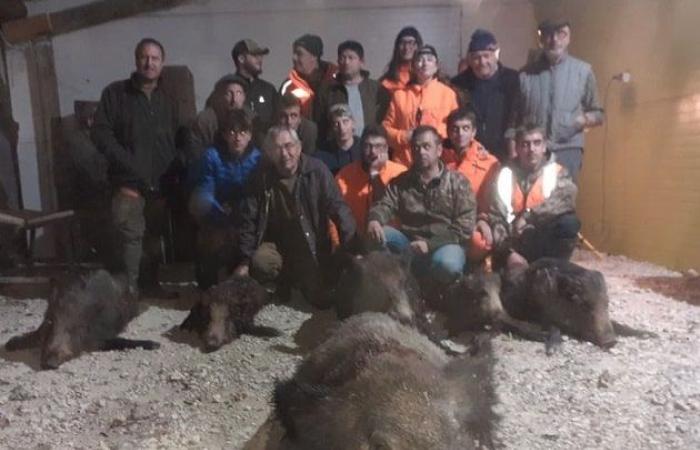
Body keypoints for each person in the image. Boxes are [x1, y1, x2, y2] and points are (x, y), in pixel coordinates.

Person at [92, 37, 181, 298]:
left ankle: (151, 286)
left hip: (159, 184)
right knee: (130, 236)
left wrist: (174, 168)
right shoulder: (115, 93)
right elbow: (100, 134)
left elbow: (180, 136)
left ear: (162, 63)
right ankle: (126, 295)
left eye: (155, 58)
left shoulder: (169, 98)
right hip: (128, 182)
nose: (149, 63)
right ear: (136, 60)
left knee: (153, 239)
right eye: (144, 57)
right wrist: (126, 163)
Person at [234, 126, 356, 308]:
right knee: (260, 263)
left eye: (289, 146)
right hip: (277, 245)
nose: (284, 154)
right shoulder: (261, 177)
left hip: (310, 245)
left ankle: (298, 277)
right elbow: (249, 219)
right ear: (269, 153)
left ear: (299, 147)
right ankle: (285, 277)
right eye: (277, 148)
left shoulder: (317, 171)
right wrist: (244, 261)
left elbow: (339, 209)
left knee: (320, 301)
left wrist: (352, 249)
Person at [367, 125, 475, 285]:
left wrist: (429, 245)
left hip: (445, 244)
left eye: (426, 146)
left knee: (447, 265)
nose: (421, 152)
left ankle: (440, 297)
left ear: (438, 150)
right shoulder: (401, 182)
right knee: (379, 235)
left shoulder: (458, 183)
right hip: (408, 244)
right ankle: (397, 289)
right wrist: (375, 219)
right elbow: (385, 204)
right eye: (416, 147)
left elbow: (464, 228)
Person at [508, 19, 604, 183]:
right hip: (533, 151)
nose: (555, 40)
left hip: (568, 149)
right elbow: (513, 120)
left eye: (561, 34)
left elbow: (598, 113)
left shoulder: (583, 71)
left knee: (563, 202)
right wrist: (512, 150)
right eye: (549, 35)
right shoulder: (525, 75)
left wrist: (583, 120)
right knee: (533, 202)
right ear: (541, 39)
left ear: (569, 37)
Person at [479, 123, 580, 269]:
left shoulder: (558, 172)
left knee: (569, 223)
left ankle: (553, 269)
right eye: (525, 144)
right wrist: (509, 253)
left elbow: (564, 202)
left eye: (537, 143)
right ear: (517, 148)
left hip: (543, 238)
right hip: (513, 241)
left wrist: (528, 217)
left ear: (544, 146)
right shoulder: (504, 175)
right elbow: (496, 216)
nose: (531, 149)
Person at [189, 109, 261, 289]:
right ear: (224, 134)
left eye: (243, 132)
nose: (237, 138)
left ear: (250, 135)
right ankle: (207, 287)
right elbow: (205, 191)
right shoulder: (212, 156)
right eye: (232, 132)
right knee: (209, 238)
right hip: (218, 212)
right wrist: (221, 215)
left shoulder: (257, 159)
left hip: (247, 214)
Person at [382, 45, 459, 167]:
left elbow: (456, 128)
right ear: (413, 67)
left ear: (436, 66)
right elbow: (385, 130)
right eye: (420, 60)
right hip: (405, 165)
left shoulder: (448, 94)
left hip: (439, 165)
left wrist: (433, 134)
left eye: (429, 60)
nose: (424, 64)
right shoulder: (400, 96)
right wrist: (403, 136)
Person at [451, 29, 519, 162]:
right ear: (470, 59)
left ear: (495, 55)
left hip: (505, 153)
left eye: (486, 56)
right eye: (476, 57)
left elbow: (518, 116)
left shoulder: (513, 80)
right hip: (471, 154)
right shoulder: (458, 84)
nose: (482, 62)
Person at [443, 107, 500, 262]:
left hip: (474, 220)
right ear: (448, 132)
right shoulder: (439, 158)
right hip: (444, 220)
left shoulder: (489, 163)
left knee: (481, 242)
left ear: (474, 132)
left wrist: (484, 219)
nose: (460, 134)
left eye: (465, 128)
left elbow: (495, 202)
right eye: (455, 129)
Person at [334, 125, 407, 238]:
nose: (373, 151)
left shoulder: (400, 173)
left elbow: (385, 206)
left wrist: (375, 173)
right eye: (368, 146)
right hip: (356, 241)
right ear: (361, 147)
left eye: (378, 146)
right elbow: (334, 216)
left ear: (386, 148)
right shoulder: (344, 176)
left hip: (392, 240)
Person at [314, 40, 389, 143]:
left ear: (361, 62)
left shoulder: (376, 89)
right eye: (342, 58)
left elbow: (385, 122)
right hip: (337, 150)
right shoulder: (327, 90)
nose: (346, 62)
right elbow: (319, 124)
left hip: (369, 148)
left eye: (351, 57)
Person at [187, 76, 248, 162]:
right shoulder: (204, 121)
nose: (234, 100)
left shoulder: (252, 119)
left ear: (244, 97)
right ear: (220, 97)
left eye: (239, 93)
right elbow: (195, 154)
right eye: (229, 93)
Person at [280, 34, 337, 119]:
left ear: (314, 56)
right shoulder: (288, 87)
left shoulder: (337, 81)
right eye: (294, 53)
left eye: (299, 54)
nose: (294, 58)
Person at [230, 38, 279, 132]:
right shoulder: (226, 89)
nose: (260, 59)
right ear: (241, 58)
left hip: (264, 146)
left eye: (261, 55)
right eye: (255, 55)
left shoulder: (269, 89)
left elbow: (278, 122)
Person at [315, 104, 362, 175]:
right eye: (336, 124)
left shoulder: (364, 149)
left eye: (345, 121)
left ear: (353, 123)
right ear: (331, 128)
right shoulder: (322, 154)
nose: (342, 128)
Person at [380, 26, 423, 94]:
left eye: (411, 42)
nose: (406, 47)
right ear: (397, 47)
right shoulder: (386, 81)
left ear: (417, 46)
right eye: (402, 43)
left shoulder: (426, 77)